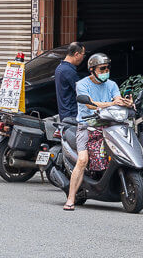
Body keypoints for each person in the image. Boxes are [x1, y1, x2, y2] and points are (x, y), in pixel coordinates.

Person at [64, 52, 132, 211]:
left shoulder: (112, 84)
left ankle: (132, 194)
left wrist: (126, 102)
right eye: (102, 69)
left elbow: (118, 100)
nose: (105, 71)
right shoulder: (82, 84)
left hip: (108, 125)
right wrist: (111, 104)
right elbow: (90, 105)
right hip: (86, 126)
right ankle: (71, 198)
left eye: (107, 68)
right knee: (82, 160)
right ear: (92, 70)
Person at [54, 42, 85, 120]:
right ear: (77, 54)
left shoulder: (60, 67)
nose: (83, 58)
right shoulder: (68, 71)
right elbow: (80, 91)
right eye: (83, 55)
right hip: (71, 114)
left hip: (65, 113)